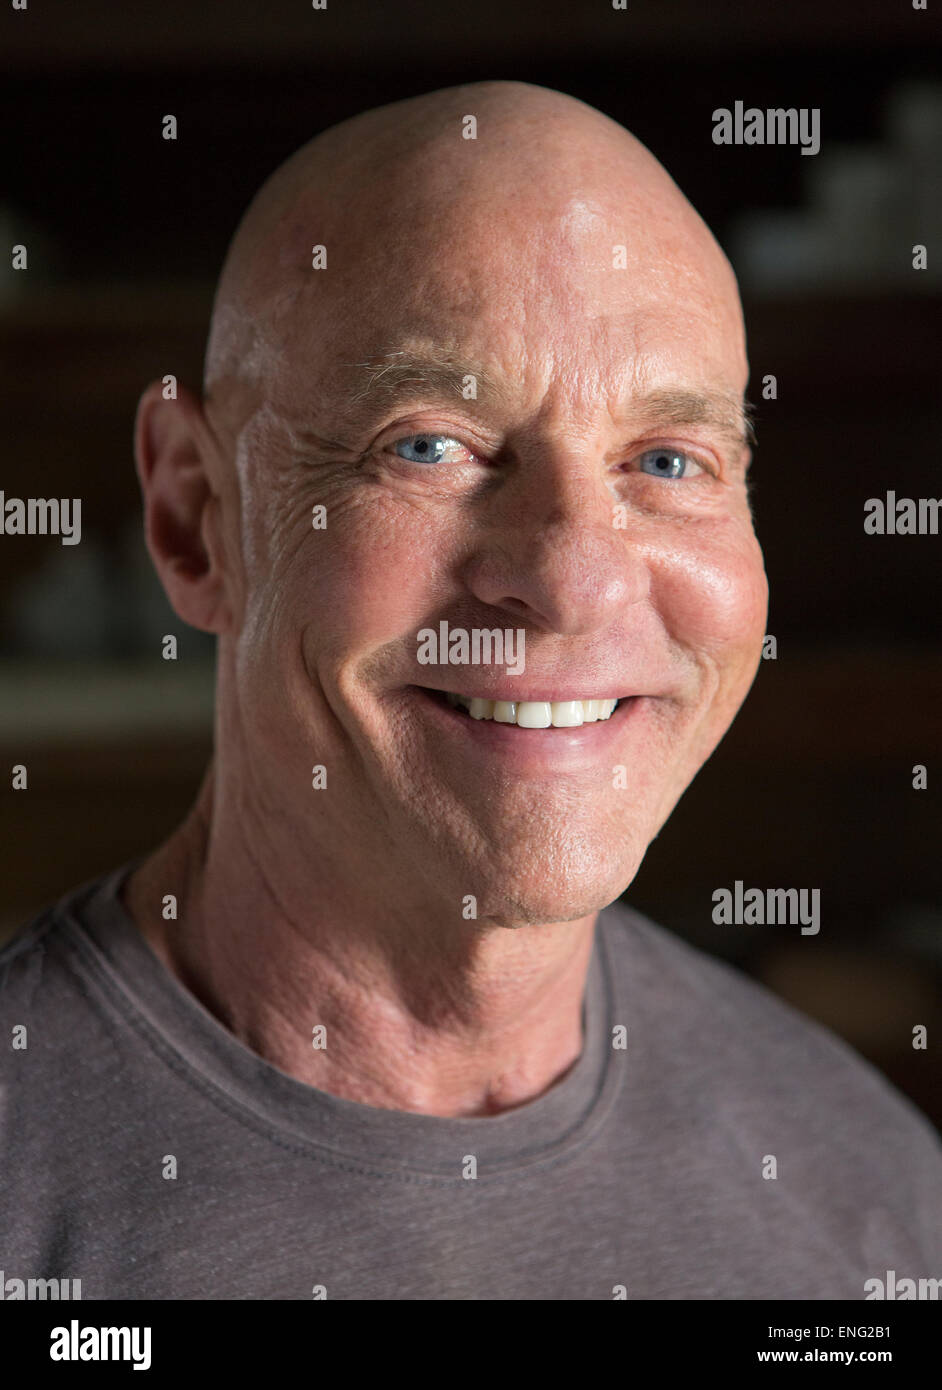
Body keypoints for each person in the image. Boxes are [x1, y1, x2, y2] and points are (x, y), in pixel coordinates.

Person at [2, 81, 939, 1301]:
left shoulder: (864, 1188)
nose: (572, 577)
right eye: (429, 443)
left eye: (669, 460)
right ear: (195, 517)